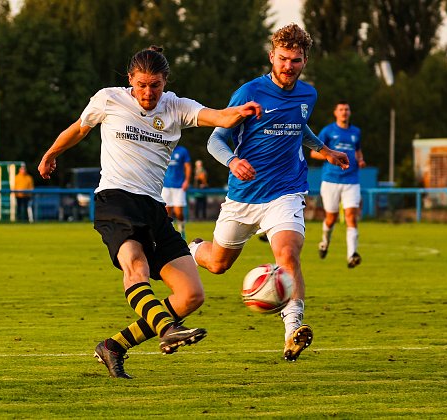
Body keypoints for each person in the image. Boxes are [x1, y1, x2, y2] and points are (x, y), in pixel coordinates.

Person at [38, 46, 261, 379]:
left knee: (191, 295)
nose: (147, 92)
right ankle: (167, 329)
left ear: (165, 81)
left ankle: (113, 346)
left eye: (154, 85)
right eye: (141, 84)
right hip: (115, 199)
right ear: (130, 80)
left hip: (154, 208)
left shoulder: (177, 107)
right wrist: (51, 154)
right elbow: (79, 128)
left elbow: (219, 116)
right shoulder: (108, 99)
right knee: (136, 265)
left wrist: (241, 111)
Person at [188, 24, 349, 362]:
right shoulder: (249, 92)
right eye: (283, 59)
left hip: (286, 192)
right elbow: (215, 139)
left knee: (288, 255)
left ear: (305, 61)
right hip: (243, 195)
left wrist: (325, 150)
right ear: (271, 56)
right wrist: (232, 161)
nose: (289, 66)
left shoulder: (309, 95)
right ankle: (190, 248)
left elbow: (297, 124)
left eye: (296, 60)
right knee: (218, 264)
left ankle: (293, 331)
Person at [310, 101, 365, 268]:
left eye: (347, 109)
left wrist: (361, 159)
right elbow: (314, 152)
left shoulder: (356, 132)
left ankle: (351, 255)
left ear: (350, 112)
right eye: (341, 109)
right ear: (335, 112)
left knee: (351, 217)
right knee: (331, 218)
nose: (344, 112)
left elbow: (357, 150)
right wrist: (329, 156)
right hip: (331, 180)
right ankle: (324, 243)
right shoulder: (328, 131)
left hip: (351, 181)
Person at [161, 145, 191, 238]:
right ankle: (171, 232)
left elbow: (188, 166)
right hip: (165, 185)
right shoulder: (163, 149)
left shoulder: (182, 150)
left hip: (179, 186)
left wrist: (187, 181)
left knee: (179, 213)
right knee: (166, 212)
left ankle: (182, 229)